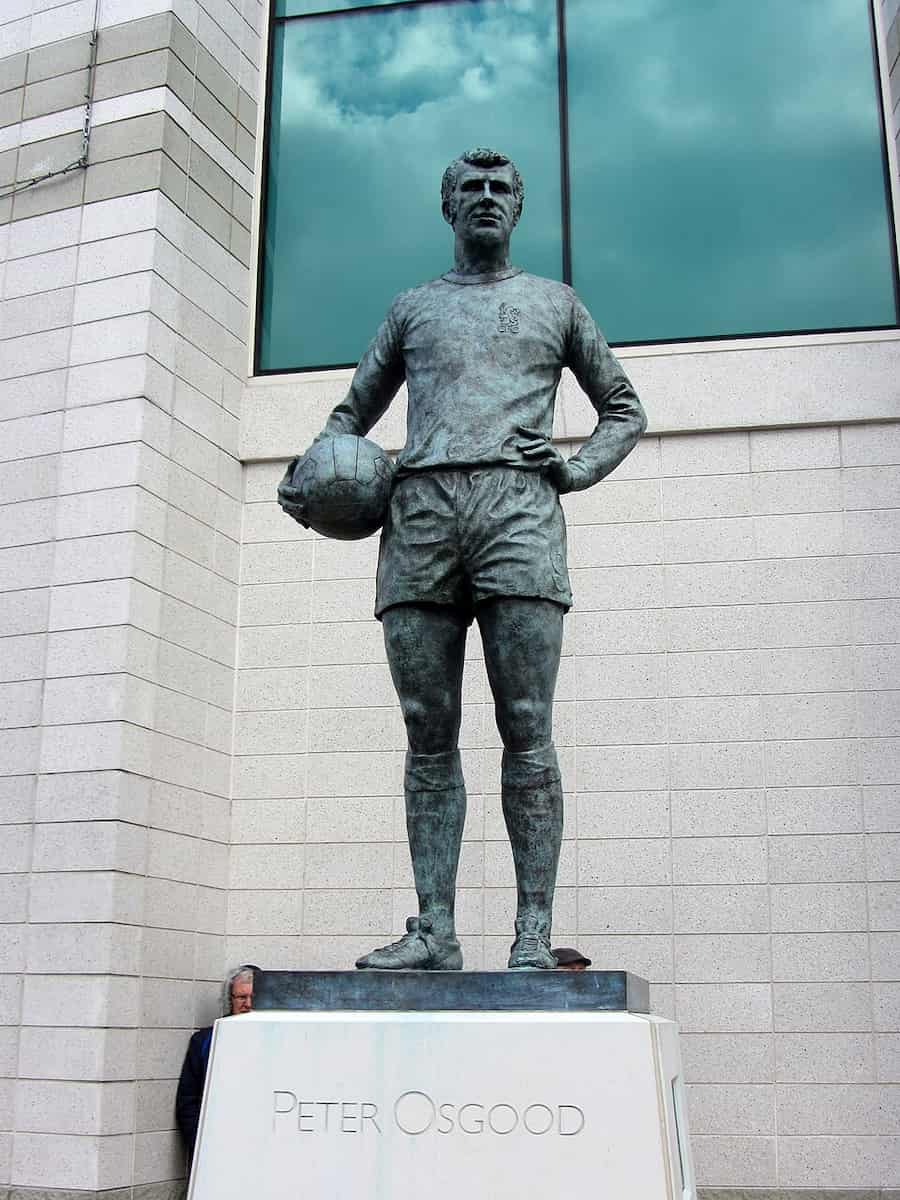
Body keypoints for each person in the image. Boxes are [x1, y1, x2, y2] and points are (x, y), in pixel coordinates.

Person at [279, 148, 645, 972]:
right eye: (470, 189)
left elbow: (623, 407)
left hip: (518, 512)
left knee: (525, 726)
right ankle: (435, 929)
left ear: (518, 209)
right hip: (421, 517)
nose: (485, 199)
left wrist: (576, 467)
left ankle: (531, 934)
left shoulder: (556, 303)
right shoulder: (412, 309)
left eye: (500, 190)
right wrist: (303, 481)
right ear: (448, 208)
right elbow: (347, 418)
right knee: (426, 729)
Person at [175, 965, 255, 1161]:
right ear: (230, 1000)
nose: (248, 1004)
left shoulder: (281, 1040)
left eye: (254, 998)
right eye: (241, 997)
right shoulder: (205, 1041)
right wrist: (202, 1144)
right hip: (216, 1149)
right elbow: (188, 1102)